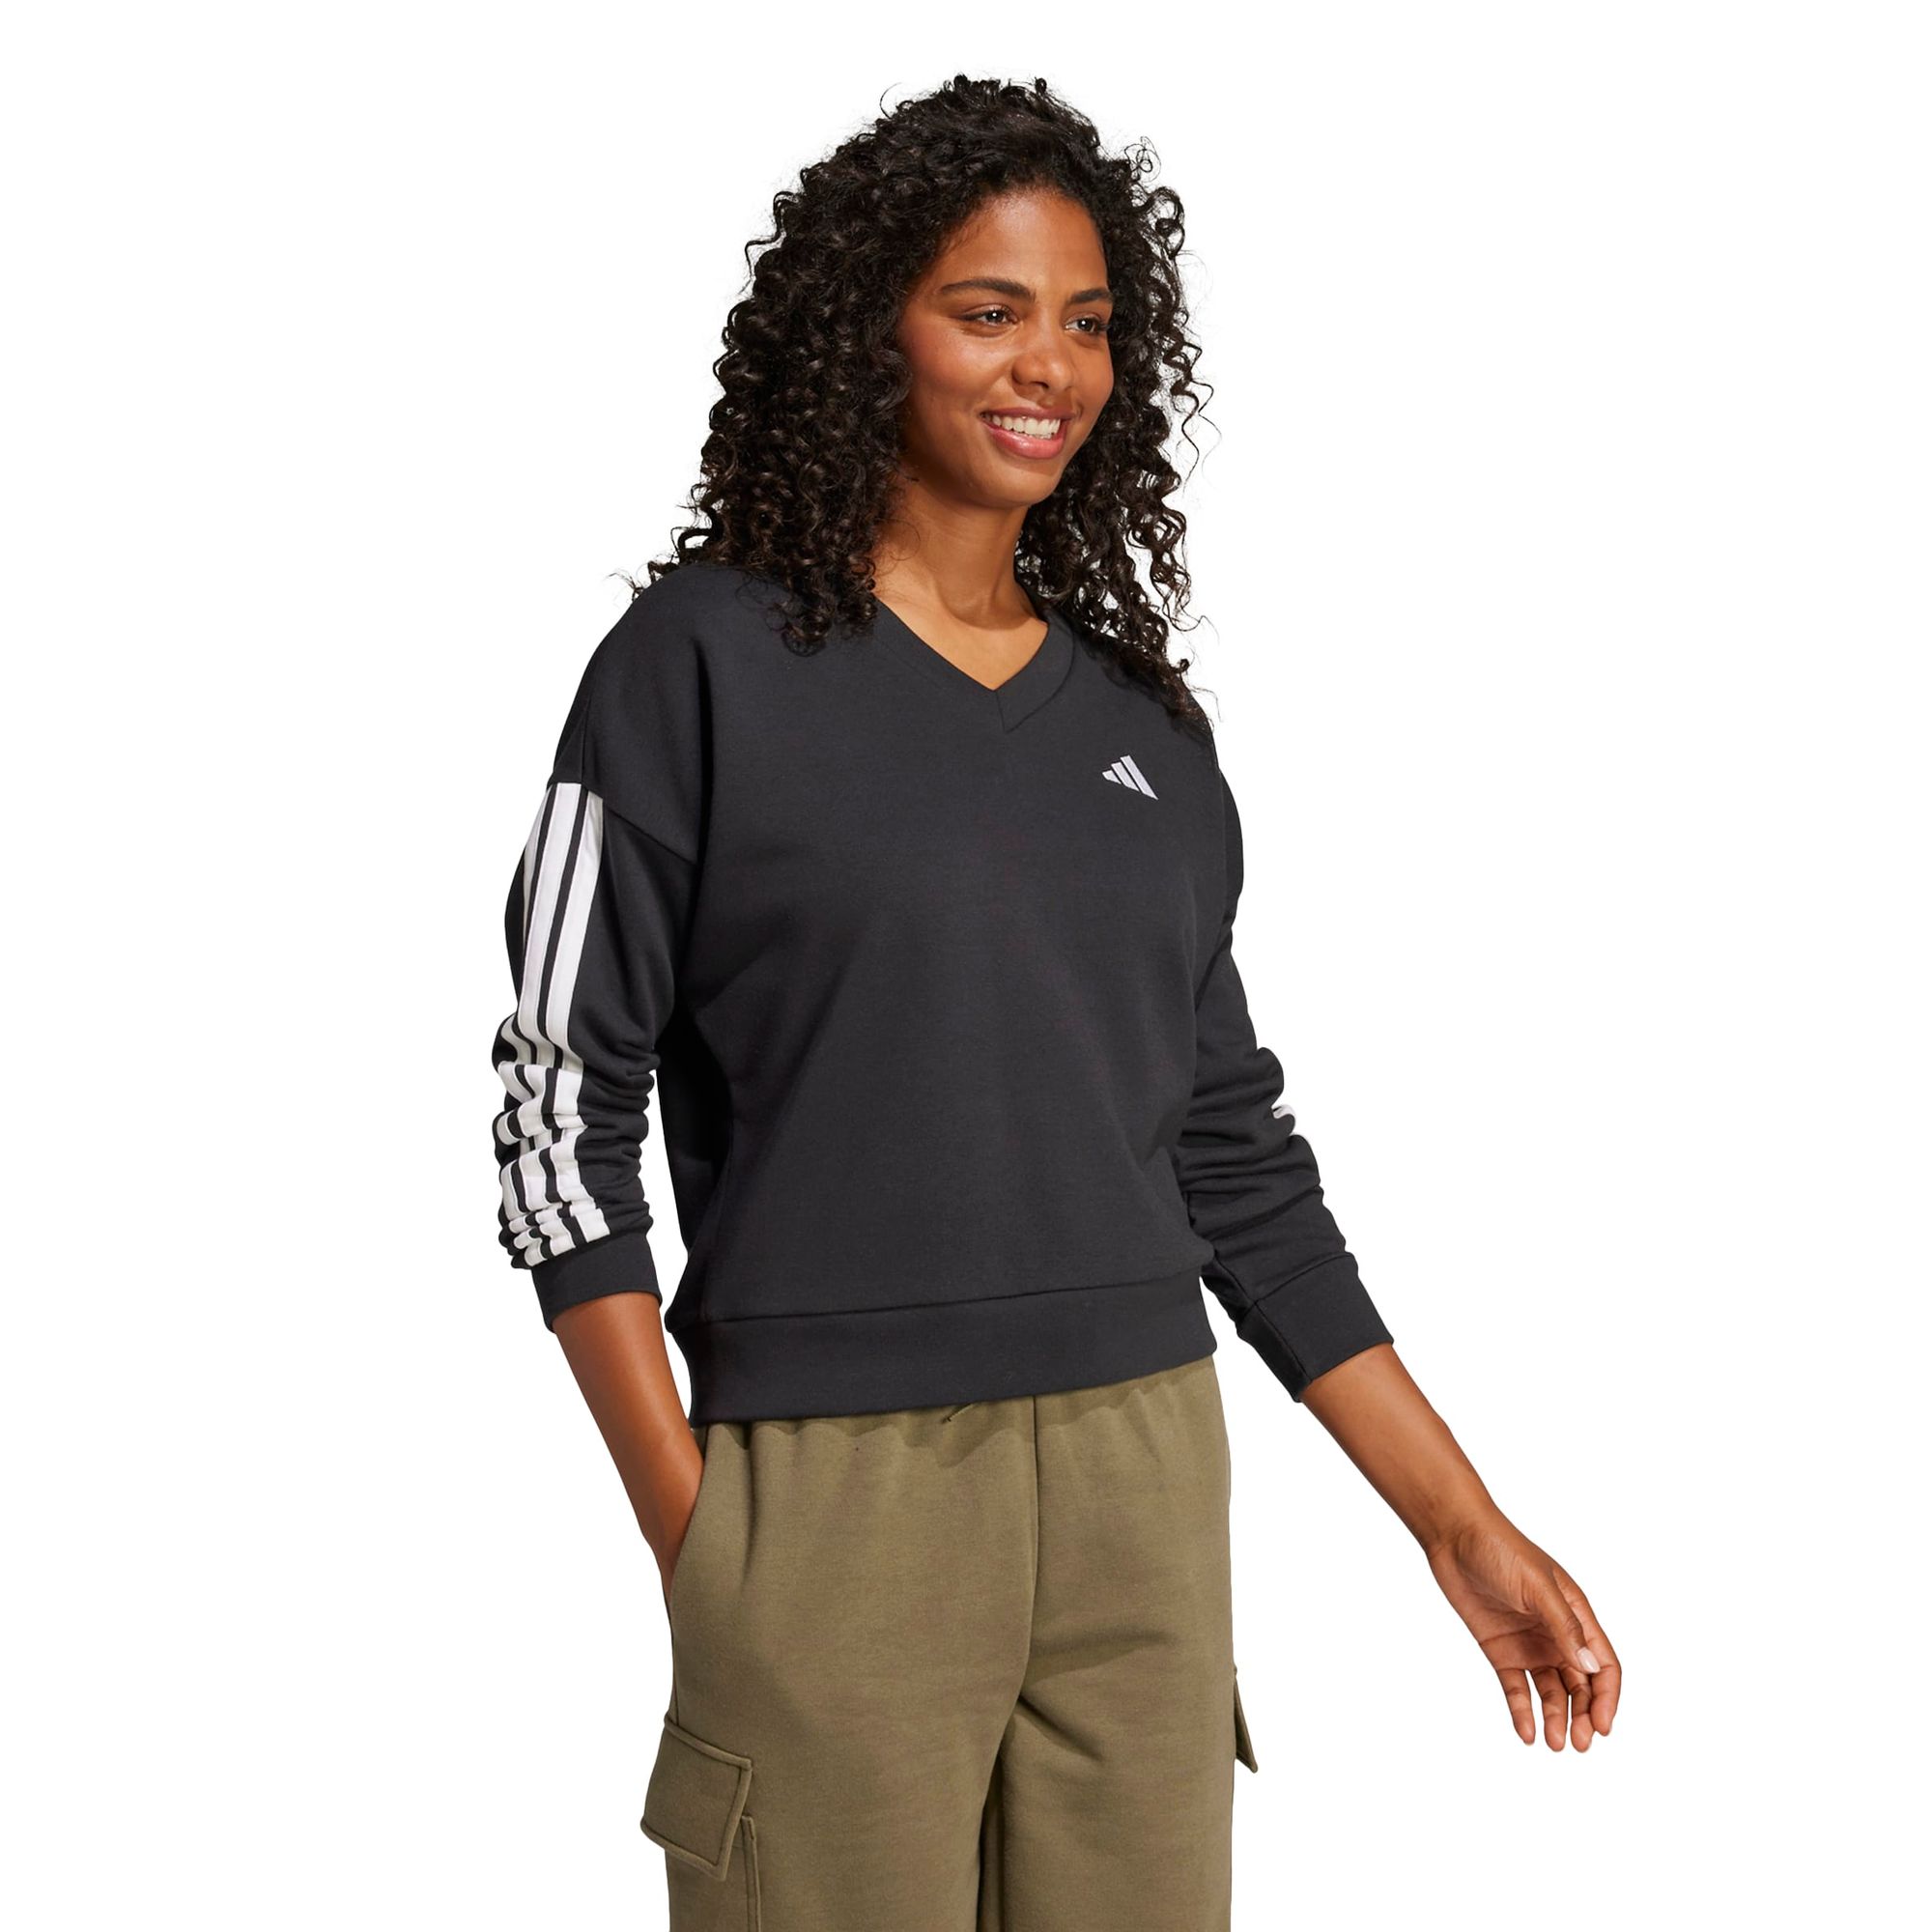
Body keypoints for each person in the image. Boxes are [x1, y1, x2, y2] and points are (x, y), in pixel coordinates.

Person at [489, 74, 1619, 1932]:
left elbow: (1232, 1162)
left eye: (1088, 320)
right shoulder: (693, 669)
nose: (1051, 366)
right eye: (989, 308)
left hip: (1143, 1480)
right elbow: (555, 1103)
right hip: (831, 1498)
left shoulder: (1144, 736)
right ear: (868, 333)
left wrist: (1458, 1521)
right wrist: (703, 1536)